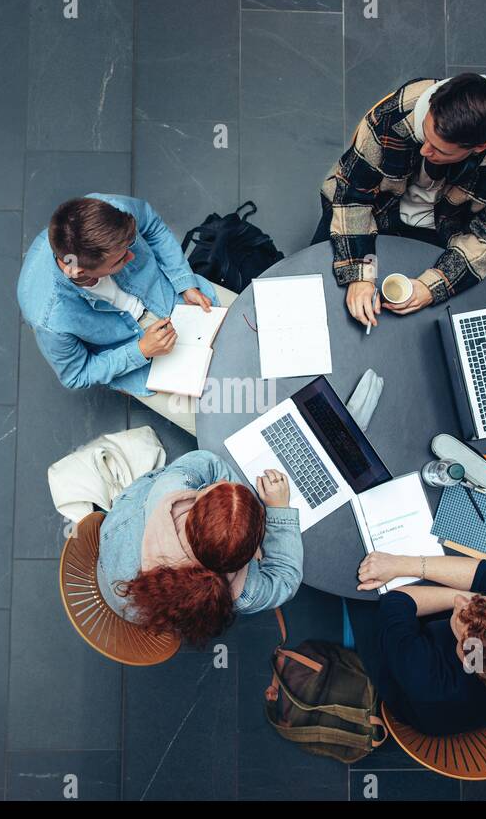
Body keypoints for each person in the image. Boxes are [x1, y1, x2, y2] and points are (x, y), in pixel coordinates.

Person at [313, 73, 486, 330]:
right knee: (318, 292)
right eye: (425, 135)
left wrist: (431, 287)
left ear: (479, 148)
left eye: (440, 150)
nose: (424, 151)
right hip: (375, 208)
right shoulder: (397, 113)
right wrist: (359, 271)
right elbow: (352, 193)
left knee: (420, 328)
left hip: (443, 228)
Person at [18, 194, 238, 434]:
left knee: (264, 325)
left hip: (174, 294)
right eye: (121, 259)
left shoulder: (112, 211)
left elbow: (152, 226)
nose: (131, 255)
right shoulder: (49, 317)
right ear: (80, 271)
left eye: (130, 244)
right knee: (223, 426)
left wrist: (184, 282)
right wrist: (141, 351)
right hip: (134, 352)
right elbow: (76, 374)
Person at [96, 450, 302, 647]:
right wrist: (277, 509)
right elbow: (286, 578)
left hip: (109, 565)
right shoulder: (245, 591)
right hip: (144, 612)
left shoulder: (172, 486)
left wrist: (224, 506)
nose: (222, 481)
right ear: (247, 556)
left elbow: (209, 461)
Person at [347, 552, 486, 736]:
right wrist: (403, 564)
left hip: (410, 696)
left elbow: (396, 602)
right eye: (482, 601)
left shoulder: (426, 678)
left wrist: (475, 602)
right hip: (472, 701)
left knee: (361, 597)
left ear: (464, 657)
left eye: (461, 614)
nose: (460, 600)